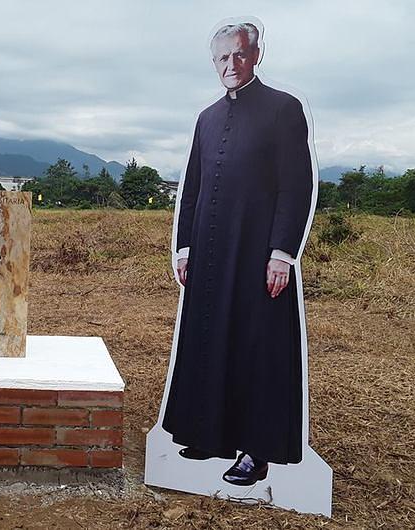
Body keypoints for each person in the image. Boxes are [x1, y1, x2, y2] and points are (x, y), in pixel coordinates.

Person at [161, 22, 314, 486]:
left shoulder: (284, 109)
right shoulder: (206, 118)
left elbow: (296, 186)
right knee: (210, 337)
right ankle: (207, 433)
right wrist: (184, 246)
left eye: (239, 56)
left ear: (256, 55)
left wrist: (281, 254)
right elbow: (193, 187)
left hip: (256, 253)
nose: (231, 66)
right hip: (208, 254)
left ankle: (257, 449)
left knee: (256, 346)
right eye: (222, 59)